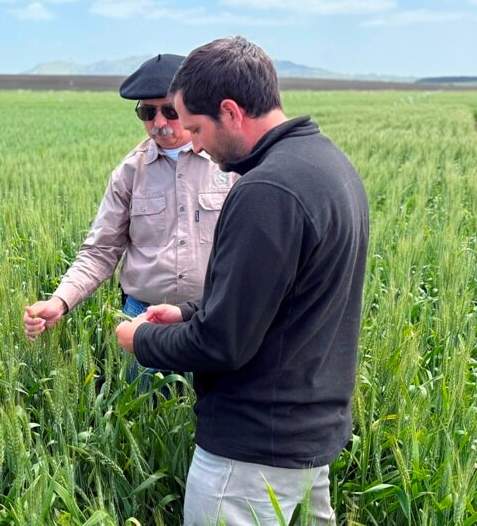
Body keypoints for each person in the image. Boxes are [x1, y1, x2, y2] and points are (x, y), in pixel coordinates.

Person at [115, 36, 369, 525]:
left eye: (196, 127)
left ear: (230, 111)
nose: (198, 146)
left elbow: (223, 343)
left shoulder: (265, 191)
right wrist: (187, 312)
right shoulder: (327, 164)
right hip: (308, 433)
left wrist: (142, 339)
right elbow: (280, 301)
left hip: (252, 454)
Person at [23, 54, 236, 387]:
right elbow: (100, 251)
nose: (158, 123)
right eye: (147, 113)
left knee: (208, 415)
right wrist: (59, 301)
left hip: (212, 319)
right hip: (143, 317)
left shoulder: (229, 165)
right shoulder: (128, 173)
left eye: (169, 111)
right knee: (143, 412)